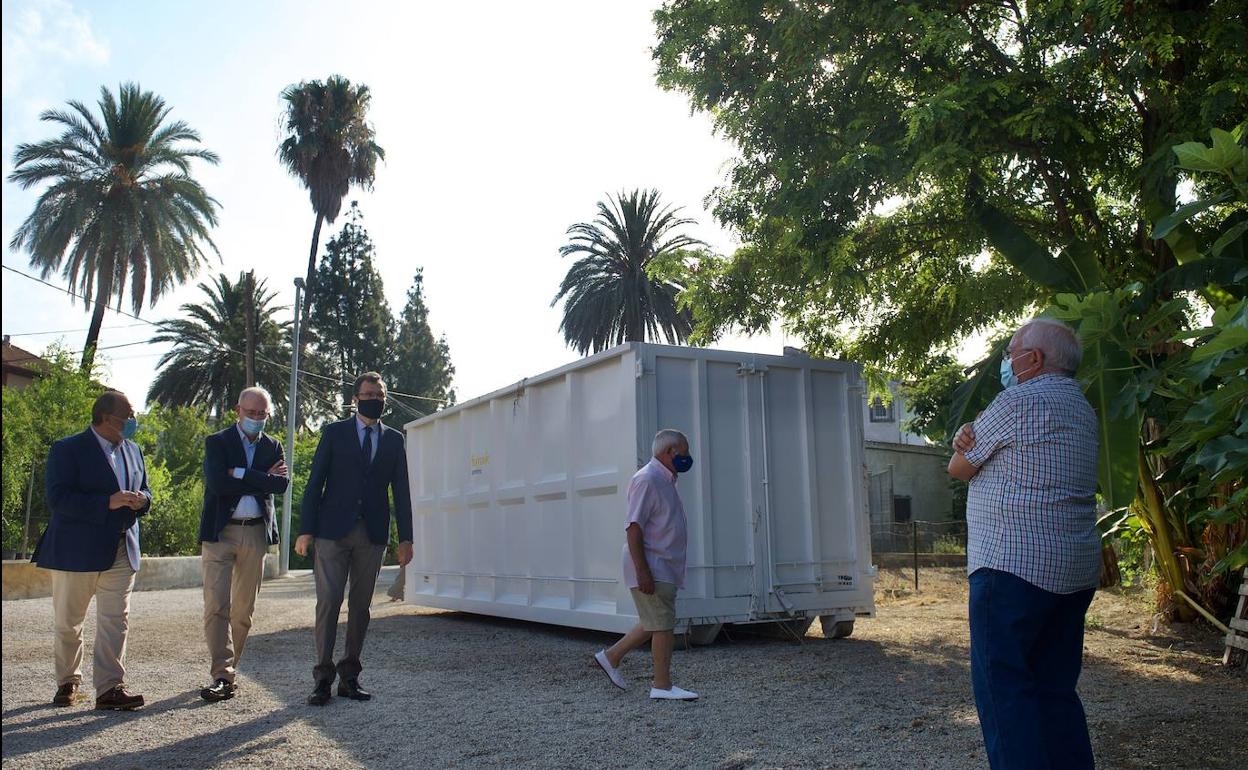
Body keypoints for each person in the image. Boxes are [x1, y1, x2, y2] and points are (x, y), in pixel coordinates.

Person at [948, 318, 1101, 770]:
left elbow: (959, 467)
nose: (1006, 361)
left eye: (1011, 352)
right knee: (1055, 691)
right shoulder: (1082, 408)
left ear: (1032, 359)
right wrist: (967, 440)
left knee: (1006, 692)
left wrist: (964, 441)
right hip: (1072, 571)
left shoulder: (1016, 400)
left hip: (1012, 567)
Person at [295, 372, 414, 706]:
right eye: (369, 394)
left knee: (361, 607)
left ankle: (350, 676)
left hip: (372, 534)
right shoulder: (334, 434)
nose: (374, 400)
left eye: (380, 395)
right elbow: (314, 482)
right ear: (354, 398)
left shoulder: (393, 440)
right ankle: (322, 677)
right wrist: (306, 529)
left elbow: (401, 490)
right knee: (329, 602)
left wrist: (406, 538)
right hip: (332, 532)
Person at [33, 390, 151, 711]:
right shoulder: (67, 449)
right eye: (128, 416)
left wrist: (142, 501)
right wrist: (107, 502)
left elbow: (147, 491)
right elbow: (58, 499)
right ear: (106, 418)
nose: (132, 421)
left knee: (116, 622)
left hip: (122, 548)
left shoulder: (134, 450)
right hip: (77, 552)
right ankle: (67, 681)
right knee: (69, 622)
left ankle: (110, 688)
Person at [197, 386, 289, 703]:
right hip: (221, 532)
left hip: (255, 533)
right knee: (216, 605)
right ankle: (222, 674)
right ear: (238, 410)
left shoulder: (273, 445)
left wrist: (241, 473)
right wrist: (260, 477)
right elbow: (218, 484)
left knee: (244, 609)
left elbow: (282, 484)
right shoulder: (218, 442)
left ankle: (229, 670)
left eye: (262, 414)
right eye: (251, 413)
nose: (256, 418)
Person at [593, 429, 698, 701]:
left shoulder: (665, 480)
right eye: (684, 452)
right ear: (669, 452)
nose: (688, 457)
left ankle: (611, 657)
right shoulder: (648, 480)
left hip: (662, 563)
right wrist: (643, 571)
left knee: (653, 621)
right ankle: (662, 686)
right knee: (662, 624)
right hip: (653, 563)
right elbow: (634, 527)